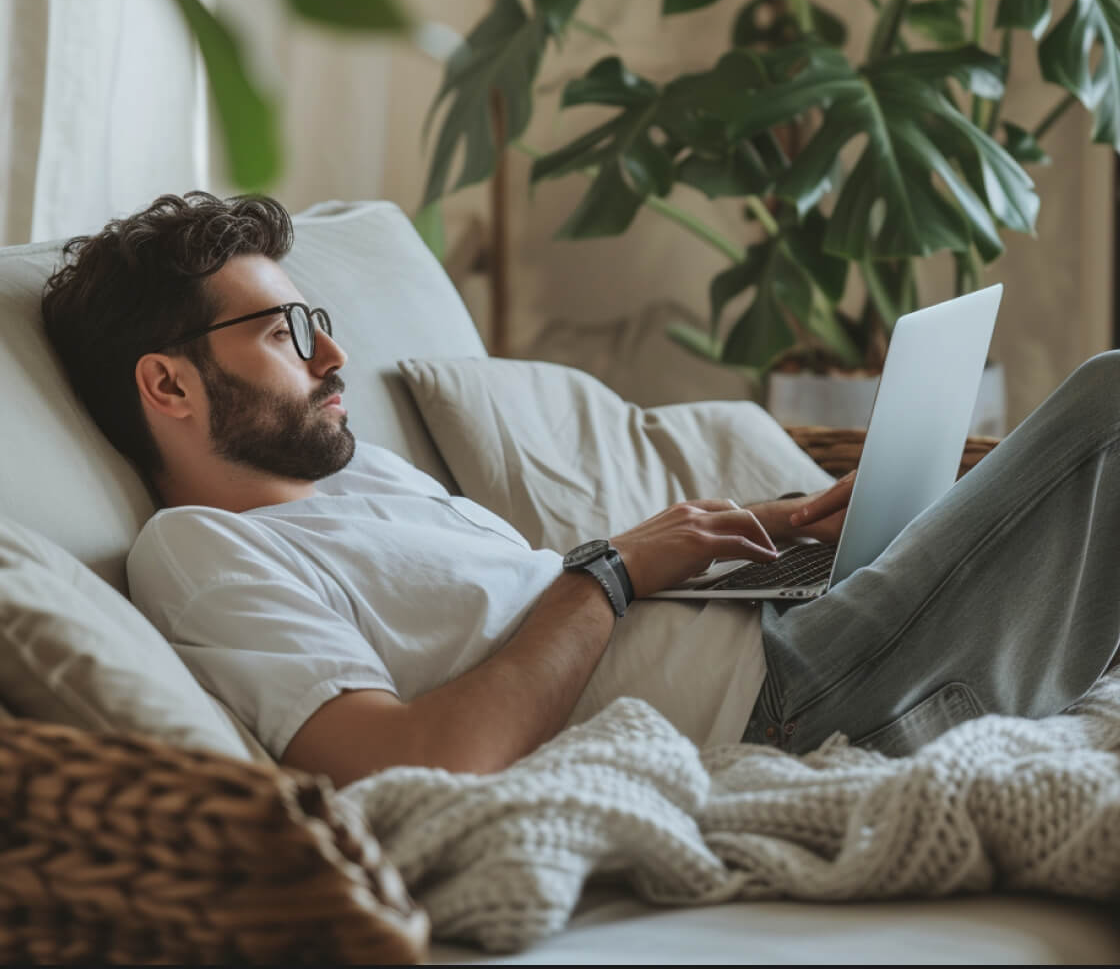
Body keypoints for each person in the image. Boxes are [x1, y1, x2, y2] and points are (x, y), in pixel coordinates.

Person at [41, 192, 1120, 787]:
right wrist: (610, 568)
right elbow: (418, 761)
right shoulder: (196, 552)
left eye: (319, 326)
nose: (333, 361)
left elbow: (525, 617)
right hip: (800, 706)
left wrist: (744, 543)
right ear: (168, 383)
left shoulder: (357, 467)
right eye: (287, 337)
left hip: (803, 634)